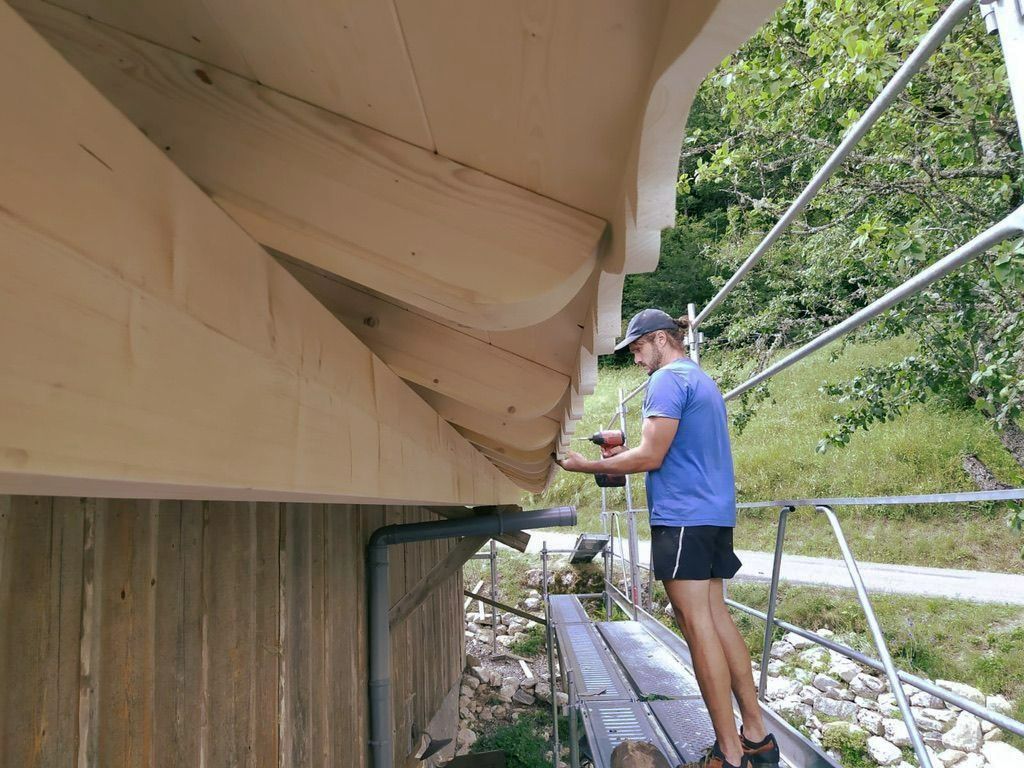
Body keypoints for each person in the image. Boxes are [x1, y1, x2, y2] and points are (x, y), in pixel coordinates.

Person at [556, 308, 779, 768]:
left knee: (697, 628)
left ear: (660, 339)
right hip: (713, 515)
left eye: (638, 348)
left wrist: (590, 465)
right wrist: (624, 451)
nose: (637, 360)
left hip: (681, 517)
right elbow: (667, 448)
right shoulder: (701, 380)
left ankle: (729, 754)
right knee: (716, 619)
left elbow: (652, 455)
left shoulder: (666, 381)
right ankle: (757, 737)